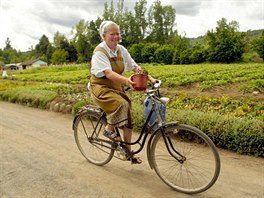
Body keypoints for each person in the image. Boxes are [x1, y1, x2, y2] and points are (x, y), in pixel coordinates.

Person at [89, 20, 143, 164]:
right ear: (103, 36)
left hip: (115, 87)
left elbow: (133, 65)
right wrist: (126, 81)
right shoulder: (100, 52)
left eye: (117, 33)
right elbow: (108, 73)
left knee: (129, 120)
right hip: (101, 88)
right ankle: (108, 129)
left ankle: (128, 152)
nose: (116, 36)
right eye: (112, 34)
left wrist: (143, 73)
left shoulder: (121, 50)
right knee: (122, 104)